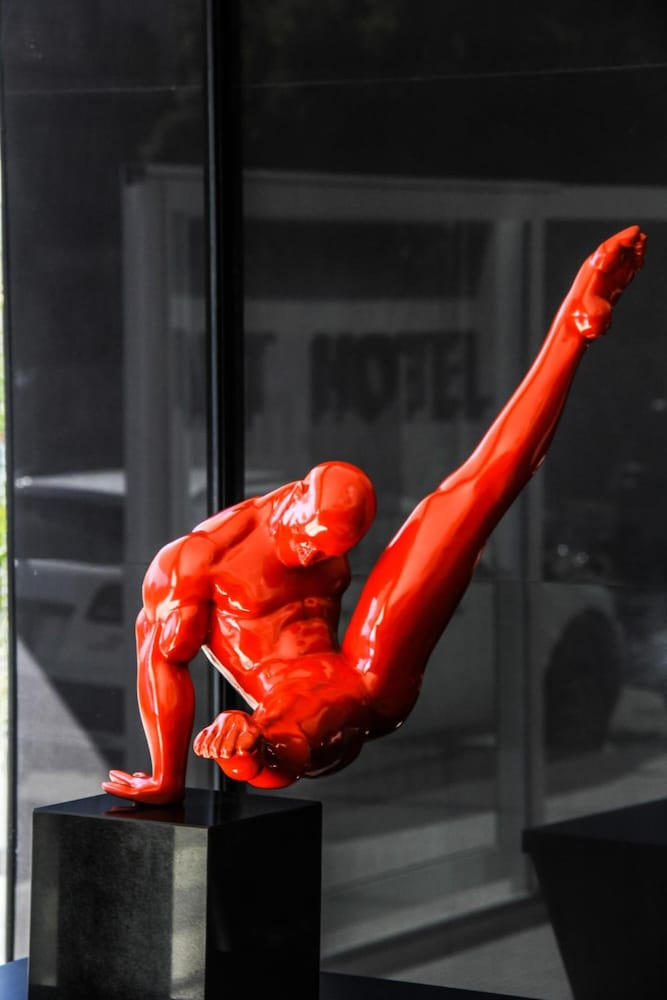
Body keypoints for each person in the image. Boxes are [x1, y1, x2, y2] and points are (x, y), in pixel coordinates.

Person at [104, 226, 646, 804]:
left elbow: (483, 481)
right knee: (276, 729)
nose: (318, 558)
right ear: (296, 504)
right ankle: (252, 752)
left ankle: (572, 327)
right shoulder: (195, 563)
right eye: (312, 543)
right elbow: (158, 657)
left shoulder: (319, 532)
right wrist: (167, 777)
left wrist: (575, 322)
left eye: (333, 550)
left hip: (365, 668)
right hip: (297, 714)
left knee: (471, 496)